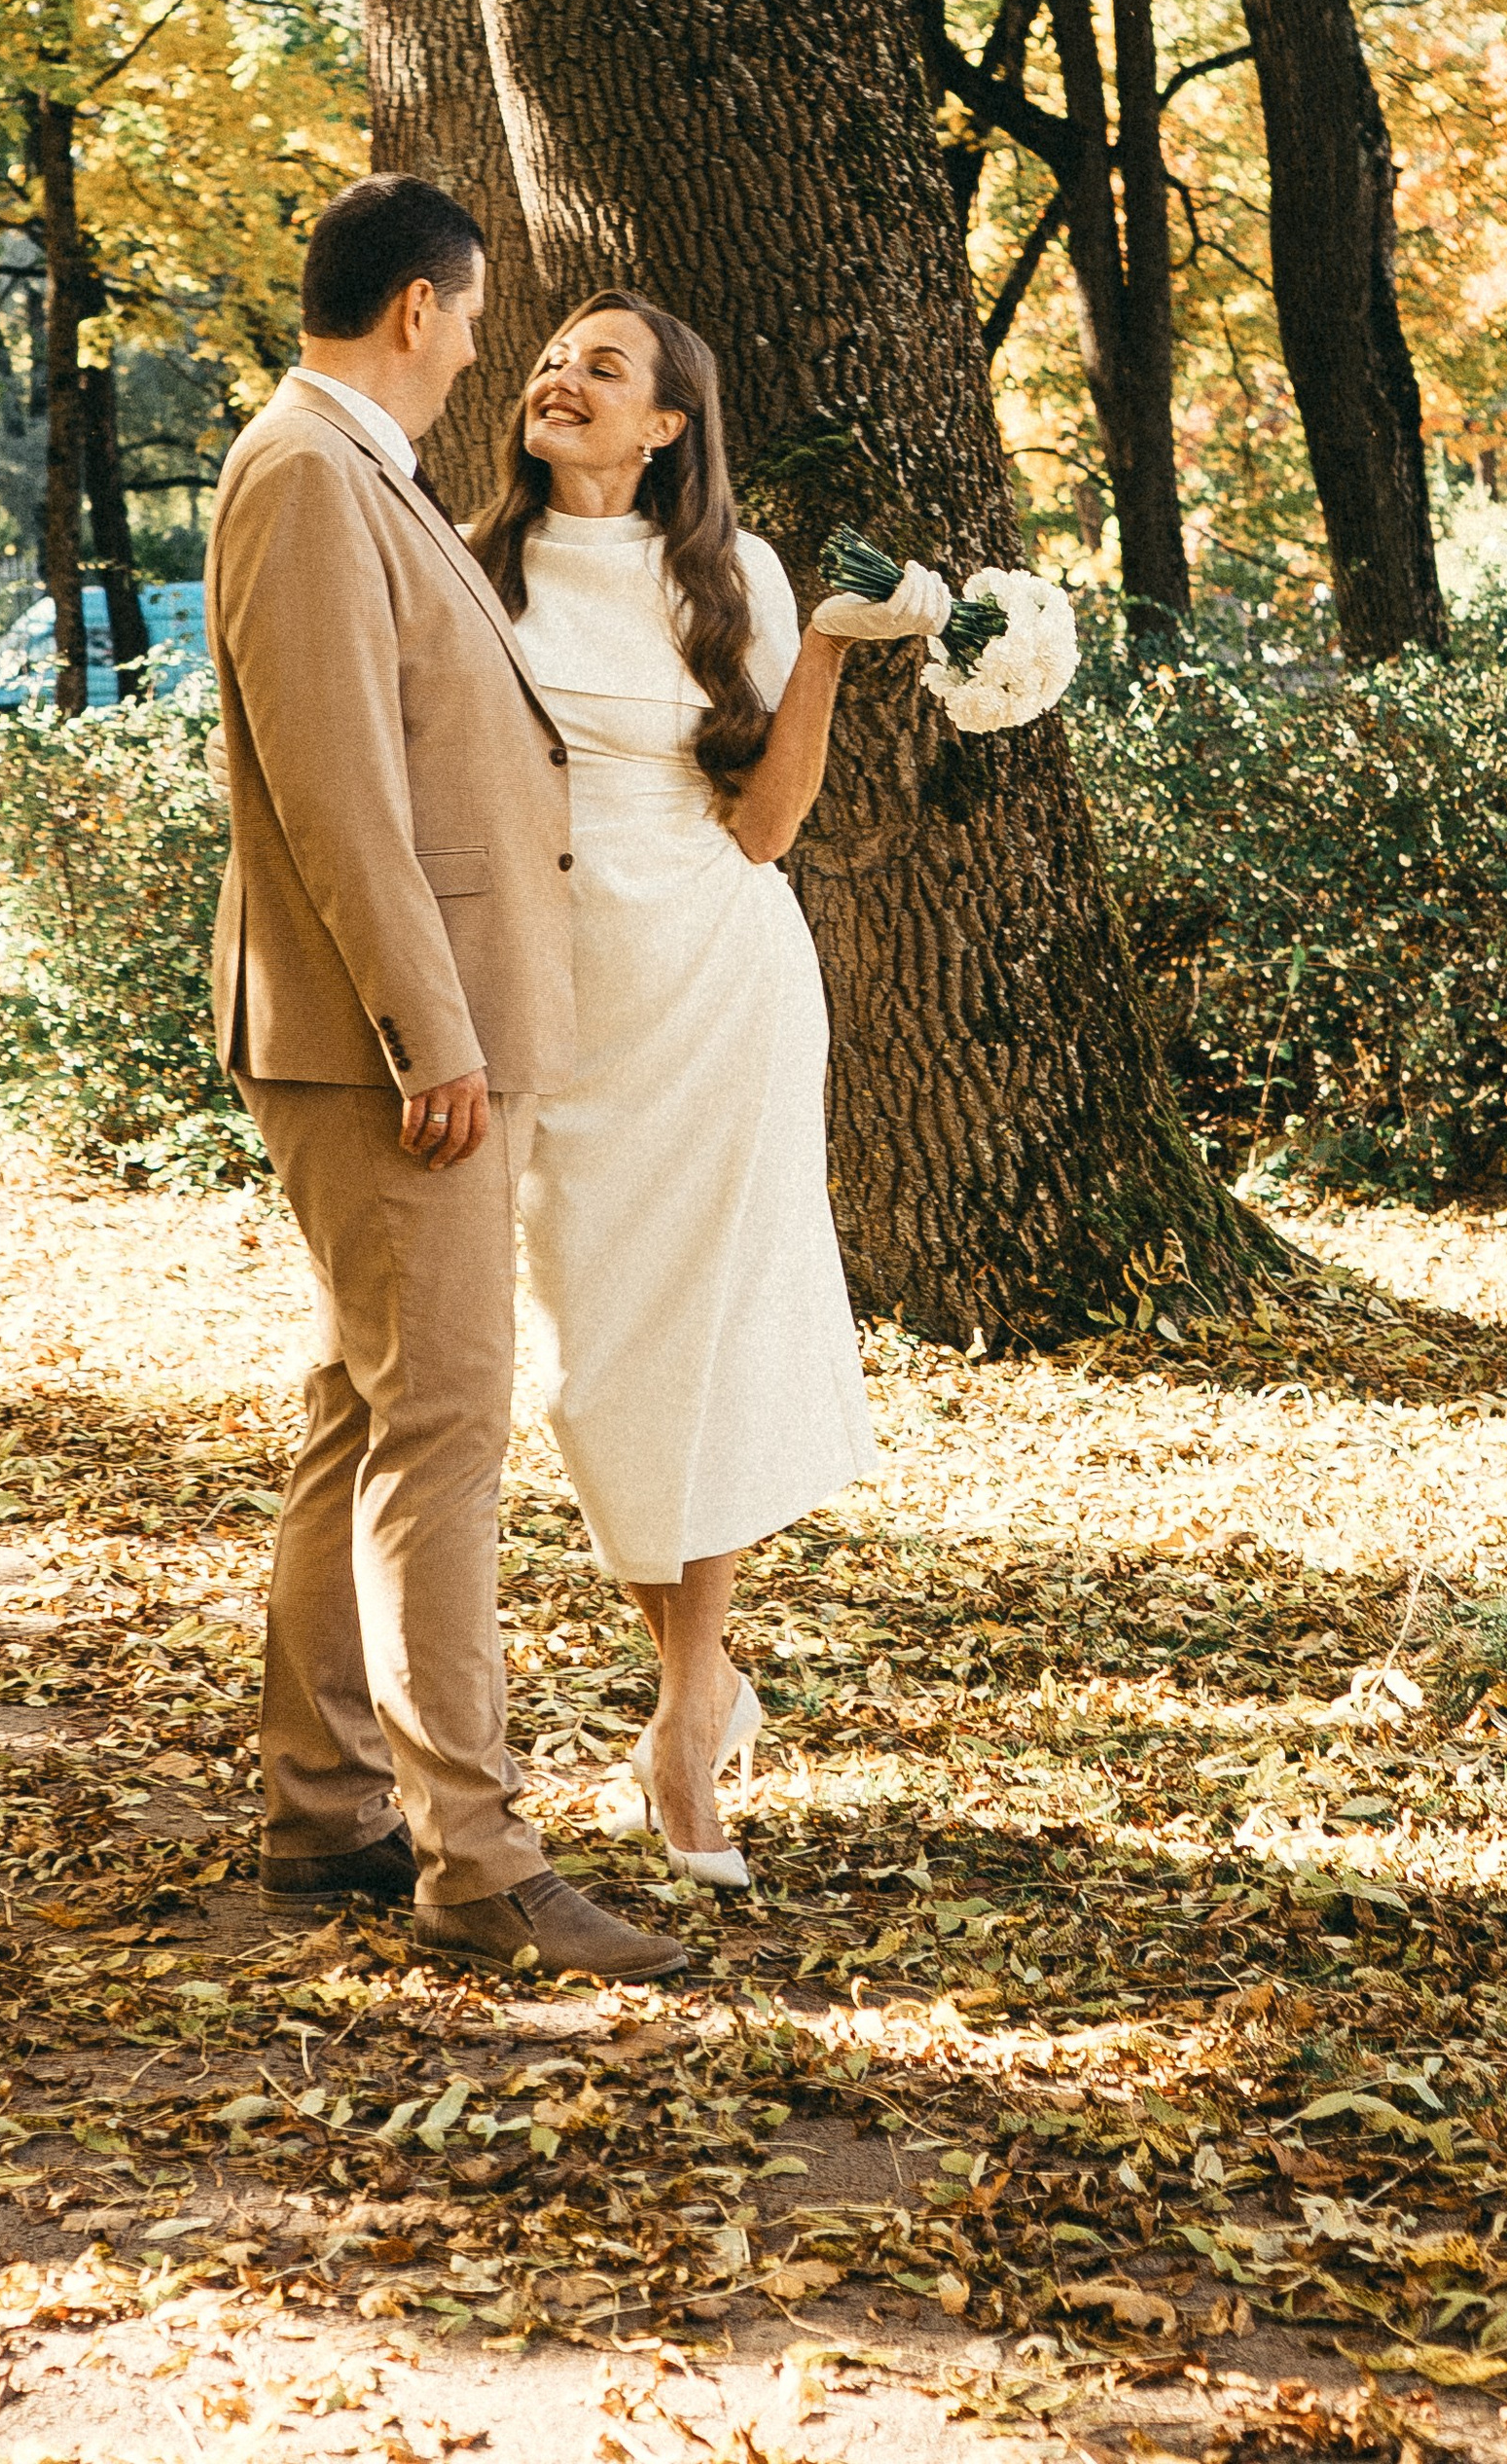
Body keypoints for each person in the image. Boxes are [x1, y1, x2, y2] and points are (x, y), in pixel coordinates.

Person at [204, 177, 684, 1984]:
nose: (487, 346)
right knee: (447, 1434)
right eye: (479, 315)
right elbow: (337, 792)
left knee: (366, 1410)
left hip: (398, 1040)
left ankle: (326, 1803)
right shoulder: (309, 477)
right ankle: (476, 1859)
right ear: (420, 307)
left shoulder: (349, 473)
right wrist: (435, 1036)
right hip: (384, 1051)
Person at [471, 292, 948, 1887]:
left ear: (668, 422)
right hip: (556, 1003)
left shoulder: (725, 576)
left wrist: (817, 644)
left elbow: (764, 826)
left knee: (708, 1341)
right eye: (550, 357)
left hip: (718, 984)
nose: (561, 375)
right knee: (598, 1365)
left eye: (603, 366)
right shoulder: (470, 563)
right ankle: (698, 1690)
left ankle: (686, 1717)